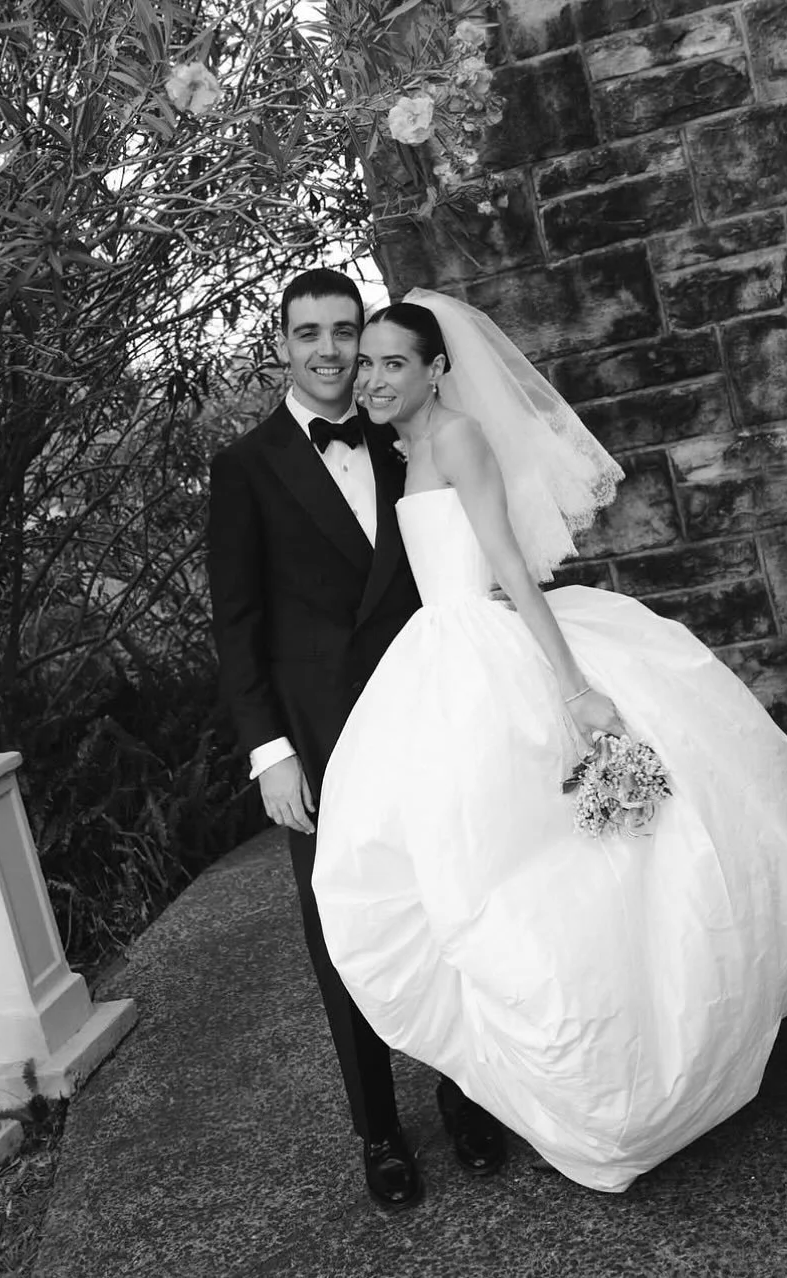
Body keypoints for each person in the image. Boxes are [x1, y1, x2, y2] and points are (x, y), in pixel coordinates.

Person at [311, 291, 787, 1193]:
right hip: (440, 653)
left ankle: (620, 1063)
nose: (373, 376)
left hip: (481, 653)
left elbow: (505, 561)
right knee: (471, 861)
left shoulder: (458, 437)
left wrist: (574, 687)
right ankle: (549, 1064)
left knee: (557, 862)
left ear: (438, 370)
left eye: (395, 362)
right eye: (369, 362)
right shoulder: (406, 448)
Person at [206, 270, 506, 1212]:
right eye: (310, 334)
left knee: (451, 900)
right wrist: (268, 754)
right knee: (341, 930)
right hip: (322, 742)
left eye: (345, 331)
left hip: (426, 716)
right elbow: (236, 625)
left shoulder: (405, 437)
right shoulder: (245, 468)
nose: (331, 352)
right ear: (282, 346)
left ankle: (467, 1092)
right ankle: (378, 1128)